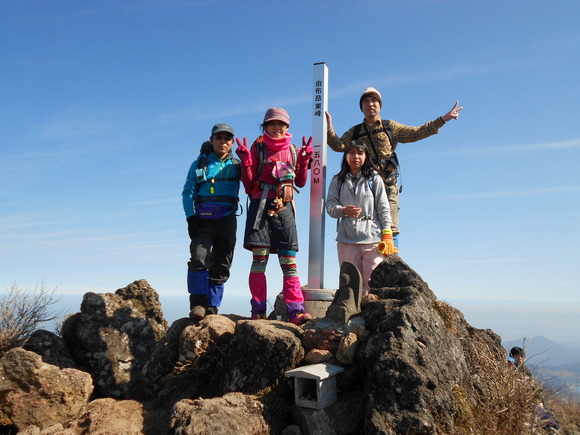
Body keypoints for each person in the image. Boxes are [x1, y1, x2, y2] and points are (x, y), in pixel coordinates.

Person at [326, 87, 463, 248]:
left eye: (374, 101)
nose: (370, 104)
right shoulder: (355, 132)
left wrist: (442, 120)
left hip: (388, 183)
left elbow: (417, 132)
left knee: (390, 225)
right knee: (363, 222)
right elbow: (339, 145)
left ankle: (391, 263)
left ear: (380, 105)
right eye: (366, 101)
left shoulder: (390, 127)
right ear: (361, 107)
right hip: (364, 185)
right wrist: (328, 127)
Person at [235, 107, 313, 325]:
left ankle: (295, 312)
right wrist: (246, 162)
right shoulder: (258, 147)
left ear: (287, 127)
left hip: (284, 209)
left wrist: (305, 161)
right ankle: (258, 311)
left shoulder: (294, 150)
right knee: (259, 262)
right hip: (261, 207)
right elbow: (249, 184)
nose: (276, 127)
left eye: (281, 124)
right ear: (265, 126)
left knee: (289, 263)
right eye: (272, 124)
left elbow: (300, 183)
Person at [182, 123, 241, 320]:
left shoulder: (238, 164)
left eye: (227, 138)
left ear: (232, 142)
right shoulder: (199, 163)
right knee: (199, 258)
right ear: (211, 140)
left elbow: (252, 184)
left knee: (222, 263)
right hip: (202, 220)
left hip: (227, 218)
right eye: (219, 138)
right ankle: (198, 305)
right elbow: (187, 192)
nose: (222, 142)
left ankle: (212, 307)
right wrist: (191, 217)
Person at [326, 141, 396, 296]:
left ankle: (371, 317)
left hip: (373, 239)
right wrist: (344, 210)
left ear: (366, 156)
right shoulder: (338, 180)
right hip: (346, 239)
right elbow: (330, 207)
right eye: (351, 153)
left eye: (360, 153)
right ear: (345, 156)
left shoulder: (374, 179)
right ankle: (353, 318)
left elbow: (384, 208)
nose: (355, 157)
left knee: (373, 283)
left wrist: (387, 234)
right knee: (350, 284)